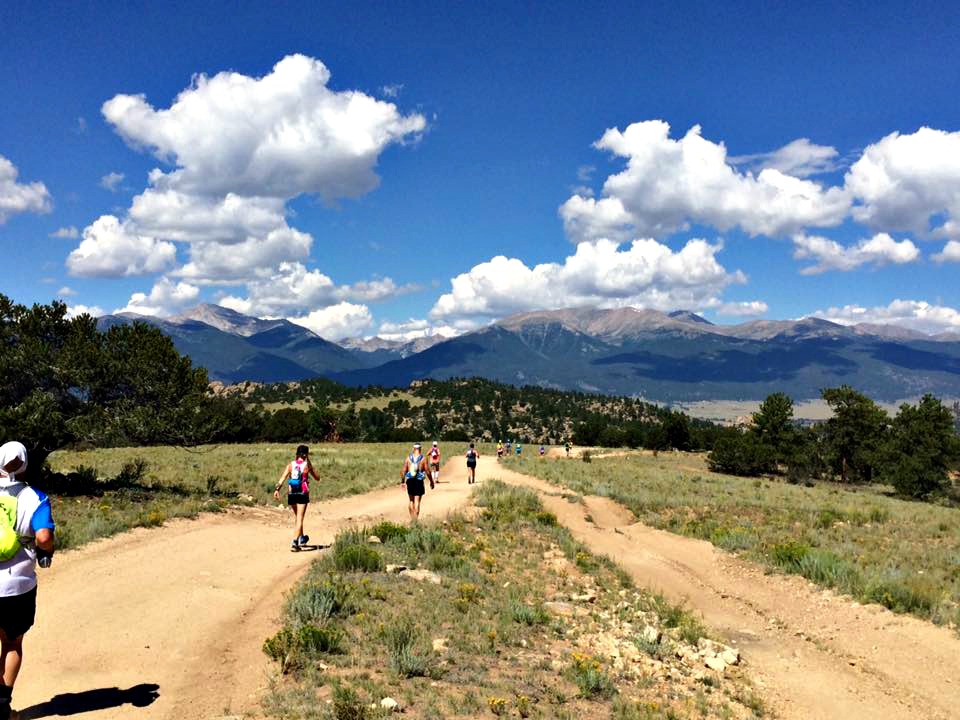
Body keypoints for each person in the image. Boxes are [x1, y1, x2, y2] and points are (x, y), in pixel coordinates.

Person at [1, 442, 55, 720]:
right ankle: (1, 708)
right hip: (17, 585)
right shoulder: (35, 497)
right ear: (24, 465)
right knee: (11, 643)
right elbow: (44, 537)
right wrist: (46, 550)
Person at [273, 444, 320, 552]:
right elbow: (317, 478)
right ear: (306, 454)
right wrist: (309, 463)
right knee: (300, 518)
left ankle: (302, 538)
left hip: (292, 494)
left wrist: (277, 490)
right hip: (302, 494)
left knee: (298, 517)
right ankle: (295, 542)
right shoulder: (307, 465)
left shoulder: (290, 465)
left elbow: (282, 478)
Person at [401, 443, 430, 522]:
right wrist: (431, 481)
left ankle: (412, 518)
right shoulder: (423, 459)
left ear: (413, 449)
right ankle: (415, 520)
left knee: (411, 500)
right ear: (420, 449)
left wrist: (403, 482)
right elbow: (427, 471)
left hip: (410, 480)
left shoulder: (408, 458)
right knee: (417, 501)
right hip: (418, 481)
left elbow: (403, 470)